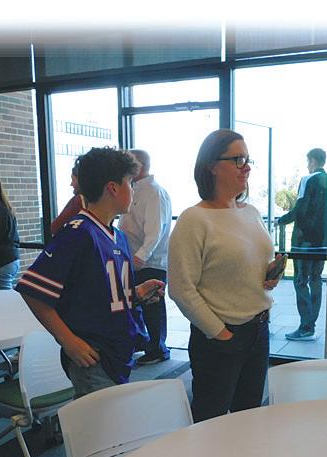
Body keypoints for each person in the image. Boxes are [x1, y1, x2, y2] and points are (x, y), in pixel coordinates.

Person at [15, 147, 165, 398]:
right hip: (95, 356)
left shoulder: (118, 237)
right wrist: (69, 341)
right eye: (129, 183)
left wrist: (138, 293)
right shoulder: (79, 232)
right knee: (101, 420)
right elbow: (32, 292)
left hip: (118, 352)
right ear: (113, 188)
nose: (133, 190)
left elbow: (102, 292)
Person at [169, 129, 285, 422]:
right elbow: (181, 288)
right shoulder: (194, 219)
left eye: (247, 159)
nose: (246, 167)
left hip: (259, 328)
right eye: (238, 159)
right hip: (220, 335)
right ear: (212, 165)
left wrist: (268, 276)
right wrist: (220, 334)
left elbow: (248, 264)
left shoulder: (251, 212)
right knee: (211, 422)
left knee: (249, 419)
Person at [117, 149, 172, 365]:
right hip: (134, 259)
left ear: (138, 166)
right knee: (136, 305)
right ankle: (144, 343)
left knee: (152, 307)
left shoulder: (154, 192)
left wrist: (140, 257)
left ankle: (158, 349)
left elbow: (155, 230)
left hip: (150, 262)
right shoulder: (135, 189)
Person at [276, 147, 327, 341]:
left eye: (308, 162)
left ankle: (306, 326)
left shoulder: (308, 179)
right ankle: (311, 325)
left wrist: (281, 220)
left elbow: (300, 210)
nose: (307, 165)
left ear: (313, 161)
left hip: (304, 242)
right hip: (323, 242)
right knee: (316, 280)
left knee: (300, 281)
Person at [50, 156, 86, 237]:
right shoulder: (100, 201)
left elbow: (55, 227)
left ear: (81, 181)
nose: (71, 184)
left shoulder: (78, 201)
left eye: (73, 180)